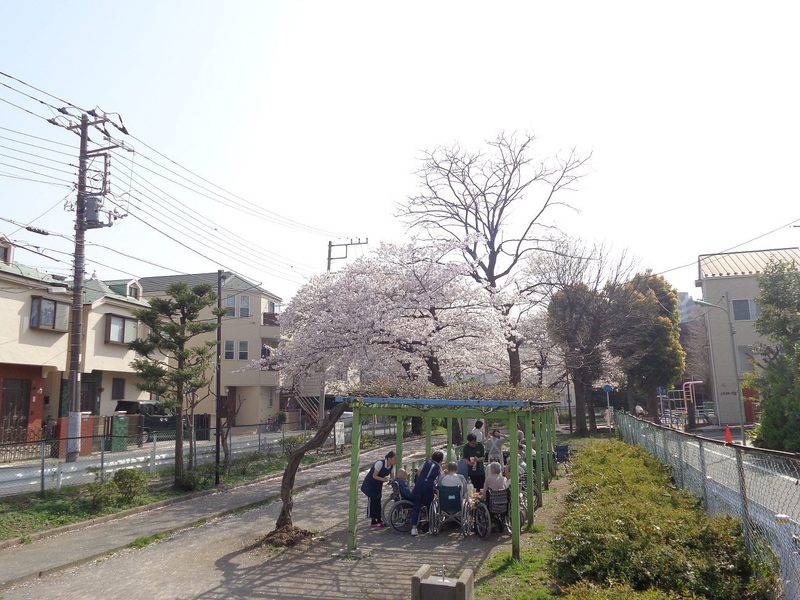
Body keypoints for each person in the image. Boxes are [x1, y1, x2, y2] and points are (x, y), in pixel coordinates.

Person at [411, 450, 444, 536]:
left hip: (419, 484)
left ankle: (414, 528)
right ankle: (430, 525)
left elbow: (418, 471)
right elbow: (440, 481)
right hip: (428, 486)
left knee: (416, 505)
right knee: (429, 505)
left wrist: (421, 478)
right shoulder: (439, 467)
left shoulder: (426, 462)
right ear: (441, 460)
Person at [360, 450, 396, 528]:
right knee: (372, 501)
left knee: (378, 501)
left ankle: (379, 519)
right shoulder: (380, 463)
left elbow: (392, 477)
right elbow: (374, 476)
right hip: (370, 484)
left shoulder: (392, 466)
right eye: (394, 458)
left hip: (378, 485)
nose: (396, 460)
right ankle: (373, 521)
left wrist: (391, 481)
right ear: (389, 458)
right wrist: (384, 479)